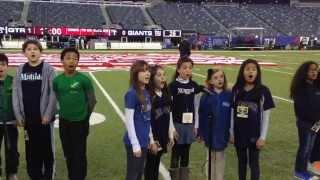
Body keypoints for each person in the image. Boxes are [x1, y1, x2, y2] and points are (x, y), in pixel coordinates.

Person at [12, 40, 56, 180]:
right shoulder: (20, 70)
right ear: (24, 52)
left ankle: (48, 175)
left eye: (35, 49)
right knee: (30, 150)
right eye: (29, 49)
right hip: (27, 120)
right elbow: (15, 93)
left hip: (44, 119)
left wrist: (48, 115)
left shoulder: (48, 69)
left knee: (46, 150)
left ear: (40, 51)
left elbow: (53, 94)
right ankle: (34, 175)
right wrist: (18, 116)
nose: (32, 51)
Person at [53, 48, 96, 180]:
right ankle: (72, 176)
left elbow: (92, 101)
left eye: (75, 58)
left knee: (79, 154)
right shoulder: (57, 80)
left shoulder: (84, 80)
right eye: (68, 58)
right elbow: (56, 99)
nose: (72, 60)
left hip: (80, 123)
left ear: (78, 61)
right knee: (68, 153)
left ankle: (79, 177)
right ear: (62, 61)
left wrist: (85, 117)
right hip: (64, 123)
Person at [230, 59, 275, 180]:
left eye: (254, 69)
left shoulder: (263, 91)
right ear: (242, 72)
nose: (250, 71)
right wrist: (231, 133)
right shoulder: (236, 89)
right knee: (241, 163)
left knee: (254, 164)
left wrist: (263, 137)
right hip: (239, 133)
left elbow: (266, 116)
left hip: (255, 134)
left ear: (257, 72)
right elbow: (231, 112)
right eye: (247, 69)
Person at [0, 53, 19, 180]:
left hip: (11, 123)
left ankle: (11, 172)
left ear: (7, 66)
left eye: (3, 64)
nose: (0, 67)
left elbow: (19, 101)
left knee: (11, 150)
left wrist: (19, 116)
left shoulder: (13, 81)